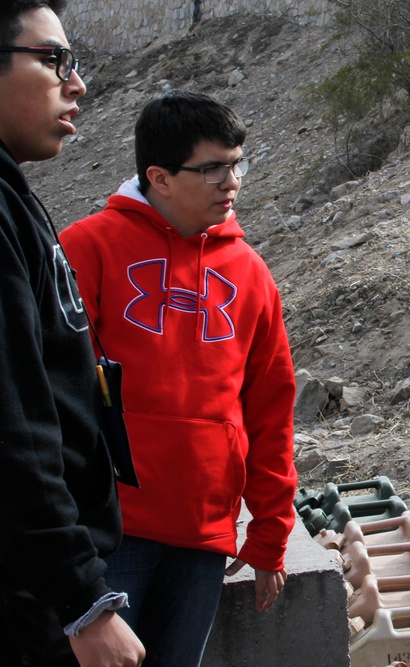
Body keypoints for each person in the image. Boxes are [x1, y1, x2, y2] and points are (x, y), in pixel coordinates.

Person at [60, 90, 298, 666]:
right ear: (159, 177)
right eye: (212, 167)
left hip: (203, 531)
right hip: (108, 532)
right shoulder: (86, 247)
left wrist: (270, 529)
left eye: (237, 163)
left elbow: (270, 404)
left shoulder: (250, 272)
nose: (231, 180)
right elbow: (54, 397)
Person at [0, 1, 145, 665]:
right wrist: (83, 598)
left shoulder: (12, 196)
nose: (77, 83)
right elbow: (13, 424)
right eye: (54, 59)